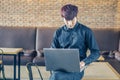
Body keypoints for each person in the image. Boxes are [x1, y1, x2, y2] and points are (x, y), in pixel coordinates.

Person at [50, 4, 100, 80]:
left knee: (57, 77)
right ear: (63, 18)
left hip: (78, 67)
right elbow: (53, 51)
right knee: (56, 75)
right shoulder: (58, 32)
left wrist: (84, 62)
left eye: (72, 20)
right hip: (61, 66)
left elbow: (96, 52)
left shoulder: (86, 31)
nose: (70, 23)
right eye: (67, 20)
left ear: (76, 17)